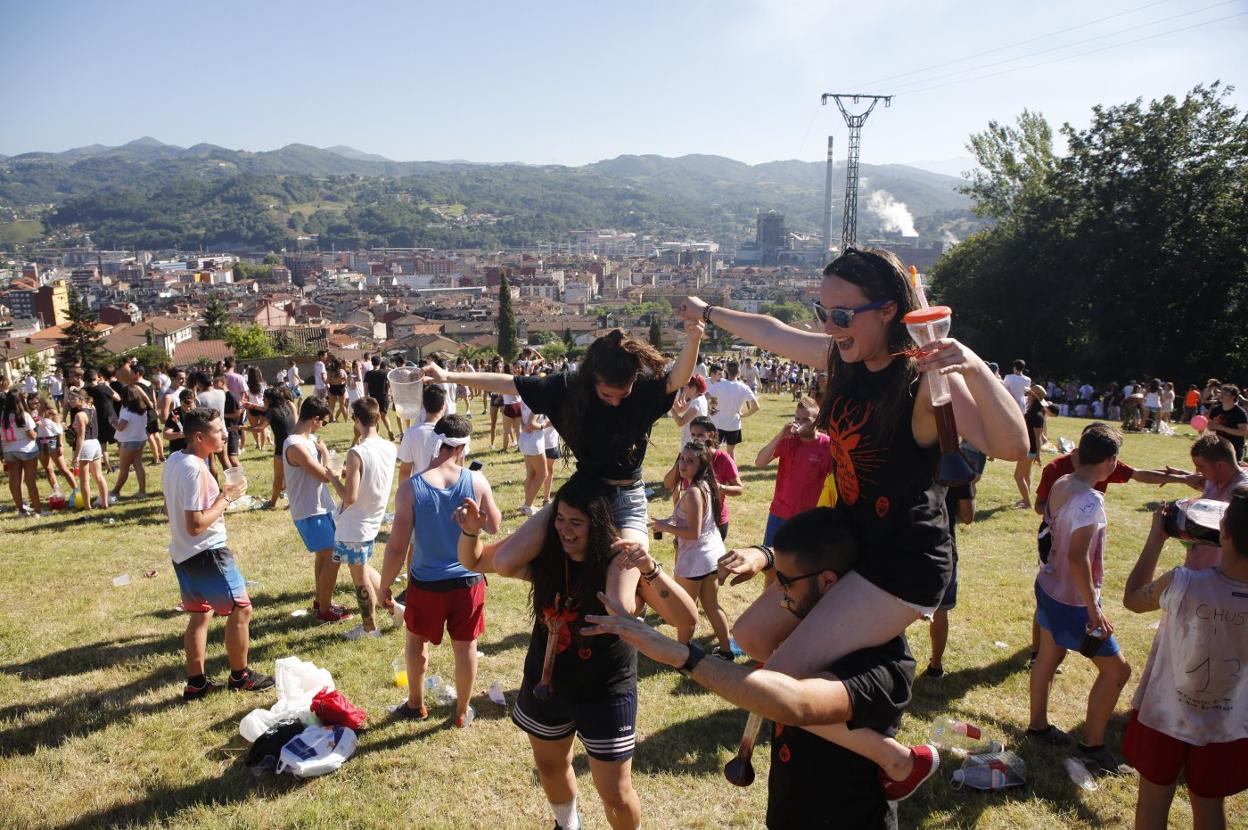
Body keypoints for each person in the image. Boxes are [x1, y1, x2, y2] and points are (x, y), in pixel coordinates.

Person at [675, 247, 1026, 788]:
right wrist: (709, 312)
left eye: (843, 315)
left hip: (902, 561)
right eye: (823, 312)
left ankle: (896, 760)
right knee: (752, 635)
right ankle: (853, 697)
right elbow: (772, 331)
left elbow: (1011, 444)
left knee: (778, 679)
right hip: (845, 546)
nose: (830, 326)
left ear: (888, 311)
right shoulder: (844, 359)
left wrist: (972, 366)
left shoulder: (924, 380)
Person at [583, 507, 922, 827]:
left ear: (829, 582)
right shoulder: (799, 635)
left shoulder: (884, 662)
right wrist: (765, 555)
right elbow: (748, 635)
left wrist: (682, 656)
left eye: (786, 583)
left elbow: (795, 703)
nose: (780, 594)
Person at [452, 472, 697, 830]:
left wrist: (649, 567)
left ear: (597, 525)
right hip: (547, 683)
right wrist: (470, 531)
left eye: (576, 523)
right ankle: (568, 825)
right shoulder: (546, 559)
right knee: (551, 767)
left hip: (605, 692)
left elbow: (686, 618)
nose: (565, 530)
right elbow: (474, 561)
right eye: (560, 520)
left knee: (614, 792)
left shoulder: (621, 566)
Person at [422, 323, 704, 547]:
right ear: (592, 378)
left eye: (623, 394)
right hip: (583, 491)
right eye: (608, 395)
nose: (616, 402)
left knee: (630, 564)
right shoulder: (567, 388)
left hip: (627, 495)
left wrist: (693, 339)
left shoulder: (643, 389)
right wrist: (448, 377)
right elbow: (512, 384)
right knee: (509, 558)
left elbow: (676, 378)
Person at [1120, 489, 1248, 830]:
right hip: (1228, 725)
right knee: (1209, 804)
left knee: (1153, 797)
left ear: (1223, 533)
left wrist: (1156, 538)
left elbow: (1132, 599)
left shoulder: (1182, 582)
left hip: (1164, 714)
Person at [378, 414, 501, 728]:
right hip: (468, 581)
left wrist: (385, 585)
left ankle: (416, 704)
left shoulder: (411, 488)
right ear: (462, 447)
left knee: (415, 642)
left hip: (427, 584)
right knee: (466, 647)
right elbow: (494, 525)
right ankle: (461, 712)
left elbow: (396, 546)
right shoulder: (476, 481)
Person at [1029, 422, 1190, 663]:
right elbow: (1041, 506)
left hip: (1080, 540)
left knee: (1056, 592)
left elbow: (1138, 474)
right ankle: (1039, 648)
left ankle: (1050, 649)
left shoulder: (1099, 467)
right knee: (1056, 591)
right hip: (1055, 539)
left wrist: (1184, 479)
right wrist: (1069, 514)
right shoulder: (1059, 471)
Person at [1028, 423, 1132, 774]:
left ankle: (1038, 726)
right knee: (1118, 671)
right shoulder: (1090, 501)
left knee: (1047, 656)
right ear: (1110, 461)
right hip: (1072, 601)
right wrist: (1093, 609)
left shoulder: (1061, 483)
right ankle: (1093, 744)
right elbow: (1077, 557)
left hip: (1049, 585)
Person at [163, 405, 274, 700]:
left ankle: (196, 683)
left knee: (200, 614)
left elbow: (170, 509)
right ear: (199, 437)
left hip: (183, 554)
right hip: (206, 552)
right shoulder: (194, 469)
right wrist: (227, 497)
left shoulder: (175, 459)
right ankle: (241, 676)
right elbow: (196, 524)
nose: (225, 434)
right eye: (218, 430)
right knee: (242, 609)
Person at [653, 440, 733, 658]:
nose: (683, 464)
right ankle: (726, 651)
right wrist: (669, 521)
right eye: (682, 458)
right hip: (712, 554)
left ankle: (683, 656)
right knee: (711, 605)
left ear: (702, 464)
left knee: (684, 610)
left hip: (695, 561)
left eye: (690, 461)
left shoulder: (694, 493)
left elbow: (693, 532)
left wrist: (664, 527)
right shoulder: (706, 485)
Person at [331, 397, 397, 640]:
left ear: (355, 420)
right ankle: (395, 610)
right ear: (378, 417)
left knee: (360, 579)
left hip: (355, 524)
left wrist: (333, 477)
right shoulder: (390, 447)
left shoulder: (356, 453)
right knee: (365, 568)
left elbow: (350, 496)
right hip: (373, 517)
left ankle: (369, 628)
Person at [283, 396, 350, 622]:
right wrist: (326, 455)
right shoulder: (295, 445)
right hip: (309, 510)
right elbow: (324, 475)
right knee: (333, 557)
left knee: (324, 557)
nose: (323, 426)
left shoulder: (308, 438)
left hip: (320, 507)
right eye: (324, 421)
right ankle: (325, 610)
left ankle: (321, 600)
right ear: (314, 418)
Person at [754, 394, 833, 547]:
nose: (799, 423)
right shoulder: (788, 441)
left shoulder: (827, 446)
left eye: (805, 420)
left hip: (808, 518)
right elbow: (760, 462)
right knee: (772, 560)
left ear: (817, 420)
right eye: (797, 418)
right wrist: (781, 434)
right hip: (779, 512)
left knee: (801, 565)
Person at [1168, 434, 1248, 571]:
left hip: (1219, 577)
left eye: (1200, 466)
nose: (1197, 472)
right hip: (1196, 568)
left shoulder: (1242, 492)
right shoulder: (1214, 478)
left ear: (1220, 465)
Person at [661, 416, 742, 540]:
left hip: (716, 521)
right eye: (693, 435)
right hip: (691, 519)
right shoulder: (687, 457)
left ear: (711, 434)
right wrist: (680, 462)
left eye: (700, 435)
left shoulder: (723, 459)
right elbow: (668, 483)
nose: (696, 439)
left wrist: (720, 487)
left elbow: (739, 489)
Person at [926, 480, 974, 678]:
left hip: (908, 545)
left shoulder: (906, 455)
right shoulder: (957, 467)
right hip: (942, 549)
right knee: (940, 610)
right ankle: (936, 665)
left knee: (898, 609)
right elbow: (968, 516)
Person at [706, 359, 759, 459]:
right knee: (730, 454)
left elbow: (707, 396)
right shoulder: (744, 387)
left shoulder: (718, 385)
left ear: (726, 371)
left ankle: (713, 472)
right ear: (739, 372)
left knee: (714, 452)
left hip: (718, 423)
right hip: (733, 424)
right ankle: (732, 473)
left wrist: (710, 409)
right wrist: (743, 415)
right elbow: (756, 406)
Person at [66, 387, 109, 510]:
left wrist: (76, 456)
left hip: (85, 445)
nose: (70, 401)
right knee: (98, 476)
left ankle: (87, 506)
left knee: (84, 479)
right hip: (95, 443)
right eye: (69, 399)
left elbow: (80, 436)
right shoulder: (92, 408)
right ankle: (104, 503)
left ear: (81, 399)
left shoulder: (80, 415)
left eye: (73, 398)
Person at [255, 386, 295, 509]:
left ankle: (272, 503)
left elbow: (259, 428)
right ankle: (293, 502)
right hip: (293, 444)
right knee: (292, 476)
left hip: (281, 449)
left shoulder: (271, 411)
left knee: (278, 478)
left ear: (269, 399)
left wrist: (240, 428)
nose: (263, 400)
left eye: (264, 398)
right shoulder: (287, 406)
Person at [2, 391, 41, 515]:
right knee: (30, 481)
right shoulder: (24, 415)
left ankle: (21, 510)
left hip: (9, 449)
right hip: (27, 449)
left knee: (14, 481)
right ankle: (38, 511)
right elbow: (31, 435)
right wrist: (37, 430)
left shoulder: (3, 416)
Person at [397, 383, 446, 482]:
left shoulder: (411, 434)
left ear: (423, 404)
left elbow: (405, 471)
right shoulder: (453, 432)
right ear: (443, 405)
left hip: (420, 490)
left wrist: (403, 495)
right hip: (446, 490)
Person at [109, 385, 151, 500]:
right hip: (140, 439)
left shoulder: (127, 411)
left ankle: (115, 491)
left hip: (129, 442)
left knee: (124, 468)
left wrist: (112, 422)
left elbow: (121, 427)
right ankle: (142, 491)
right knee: (138, 464)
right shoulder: (142, 409)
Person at [1014, 384, 1051, 509]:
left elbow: (1037, 437)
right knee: (1025, 475)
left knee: (1018, 476)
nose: (1027, 396)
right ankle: (1026, 499)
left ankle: (1027, 502)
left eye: (1029, 394)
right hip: (1029, 449)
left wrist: (1038, 456)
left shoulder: (1036, 415)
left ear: (1033, 397)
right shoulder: (1033, 412)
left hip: (1030, 450)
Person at [34, 396, 76, 495]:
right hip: (39, 442)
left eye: (37, 403)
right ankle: (57, 491)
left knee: (63, 469)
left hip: (52, 441)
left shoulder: (51, 412)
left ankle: (76, 490)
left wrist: (60, 444)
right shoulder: (33, 414)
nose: (36, 405)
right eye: (34, 403)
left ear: (43, 402)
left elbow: (59, 430)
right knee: (48, 469)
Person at [519, 399, 552, 516]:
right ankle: (527, 505)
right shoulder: (536, 402)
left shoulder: (524, 399)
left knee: (531, 474)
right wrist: (546, 424)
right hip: (534, 442)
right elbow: (531, 424)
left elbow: (524, 421)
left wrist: (525, 425)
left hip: (525, 439)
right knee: (543, 474)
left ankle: (527, 505)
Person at [1206, 383, 1247, 462]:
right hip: (1218, 446)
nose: (1221, 395)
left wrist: (1221, 427)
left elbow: (1243, 432)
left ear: (1233, 396)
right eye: (1221, 392)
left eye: (1225, 393)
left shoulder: (1240, 413)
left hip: (1234, 448)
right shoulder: (1216, 410)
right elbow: (1210, 427)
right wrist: (1209, 424)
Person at [669, 374, 709, 447]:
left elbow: (680, 422)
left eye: (686, 386)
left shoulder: (697, 402)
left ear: (693, 389)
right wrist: (671, 399)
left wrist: (669, 406)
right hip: (691, 442)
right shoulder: (698, 398)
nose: (683, 388)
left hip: (693, 445)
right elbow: (680, 409)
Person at [362, 355, 395, 440]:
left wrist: (366, 397)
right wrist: (389, 393)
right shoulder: (385, 372)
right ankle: (389, 430)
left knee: (375, 417)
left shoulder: (368, 374)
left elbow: (365, 387)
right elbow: (389, 384)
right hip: (384, 397)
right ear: (380, 363)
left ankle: (376, 435)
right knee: (384, 416)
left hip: (373, 398)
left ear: (372, 363)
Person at [163, 388, 196, 455]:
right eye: (184, 406)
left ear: (194, 401)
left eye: (190, 406)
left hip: (196, 450)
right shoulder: (175, 414)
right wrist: (178, 435)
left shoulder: (200, 412)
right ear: (180, 402)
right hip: (178, 450)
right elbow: (165, 434)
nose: (187, 409)